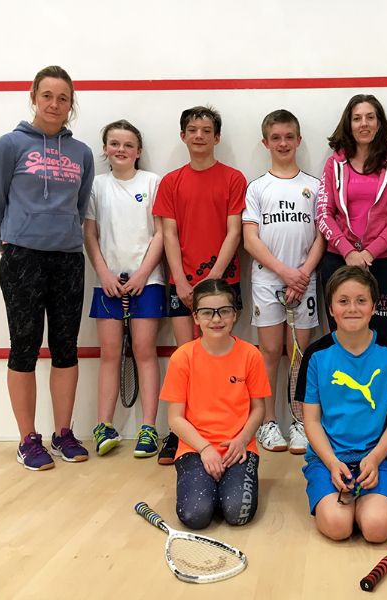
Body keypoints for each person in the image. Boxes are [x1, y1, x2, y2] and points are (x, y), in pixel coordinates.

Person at [0, 66, 94, 471]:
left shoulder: (81, 153)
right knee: (24, 349)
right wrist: (13, 247)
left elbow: (79, 209)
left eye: (63, 98)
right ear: (34, 97)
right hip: (22, 259)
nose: (54, 104)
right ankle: (28, 439)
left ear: (71, 104)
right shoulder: (10, 145)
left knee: (65, 349)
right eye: (47, 95)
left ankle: (63, 433)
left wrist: (59, 238)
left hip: (68, 260)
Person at [153, 105, 247, 463]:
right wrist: (180, 281)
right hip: (182, 286)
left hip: (224, 283)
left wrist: (212, 281)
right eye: (192, 130)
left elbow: (234, 230)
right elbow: (169, 234)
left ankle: (223, 432)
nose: (199, 136)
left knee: (221, 360)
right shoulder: (171, 182)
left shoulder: (234, 178)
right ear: (183, 136)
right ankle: (181, 435)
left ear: (217, 137)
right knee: (186, 361)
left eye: (206, 130)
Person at [300, 266, 387, 542]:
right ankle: (346, 497)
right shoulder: (315, 355)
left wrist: (374, 458)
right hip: (328, 460)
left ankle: (374, 500)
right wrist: (332, 462)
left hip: (378, 458)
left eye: (361, 301)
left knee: (376, 528)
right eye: (343, 301)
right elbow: (311, 421)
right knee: (338, 526)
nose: (352, 308)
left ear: (374, 307)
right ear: (331, 308)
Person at [243, 110, 325, 454]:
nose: (282, 143)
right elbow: (251, 240)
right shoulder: (257, 187)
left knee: (299, 354)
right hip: (267, 281)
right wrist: (285, 272)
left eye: (289, 137)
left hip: (304, 282)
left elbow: (323, 235)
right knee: (271, 352)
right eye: (275, 137)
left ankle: (299, 422)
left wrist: (302, 273)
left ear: (299, 140)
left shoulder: (315, 186)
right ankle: (268, 423)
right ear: (265, 142)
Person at [83, 119, 165, 458]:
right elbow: (91, 235)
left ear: (138, 151)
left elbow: (160, 233)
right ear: (105, 148)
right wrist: (103, 274)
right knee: (109, 354)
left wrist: (143, 274)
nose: (121, 149)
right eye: (114, 143)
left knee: (145, 352)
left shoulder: (153, 182)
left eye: (128, 144)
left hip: (149, 282)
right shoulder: (96, 186)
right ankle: (104, 424)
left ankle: (148, 427)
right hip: (108, 285)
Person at [160, 279, 269, 529]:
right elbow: (175, 418)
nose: (216, 319)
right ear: (196, 317)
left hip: (239, 447)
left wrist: (242, 440)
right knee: (195, 516)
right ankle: (210, 487)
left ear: (234, 315)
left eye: (224, 311)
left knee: (237, 514)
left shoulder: (251, 355)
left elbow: (259, 409)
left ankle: (224, 485)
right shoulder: (182, 358)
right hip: (195, 448)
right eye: (207, 312)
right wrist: (205, 448)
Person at [317, 94, 387, 340]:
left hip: (382, 262)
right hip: (339, 261)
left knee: (381, 339)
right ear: (348, 124)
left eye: (370, 117)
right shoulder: (333, 164)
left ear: (379, 123)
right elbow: (323, 214)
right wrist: (348, 252)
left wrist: (369, 253)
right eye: (357, 118)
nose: (364, 124)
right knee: (342, 338)